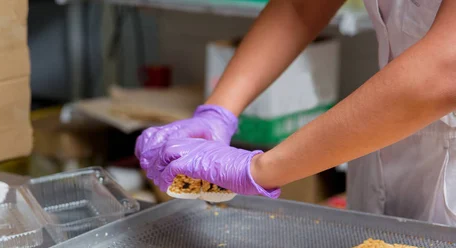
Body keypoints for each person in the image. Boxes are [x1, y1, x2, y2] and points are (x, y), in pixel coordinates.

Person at [135, 0, 456, 225]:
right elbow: (300, 7)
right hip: (385, 143)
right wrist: (217, 111)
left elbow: (445, 67)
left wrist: (261, 168)